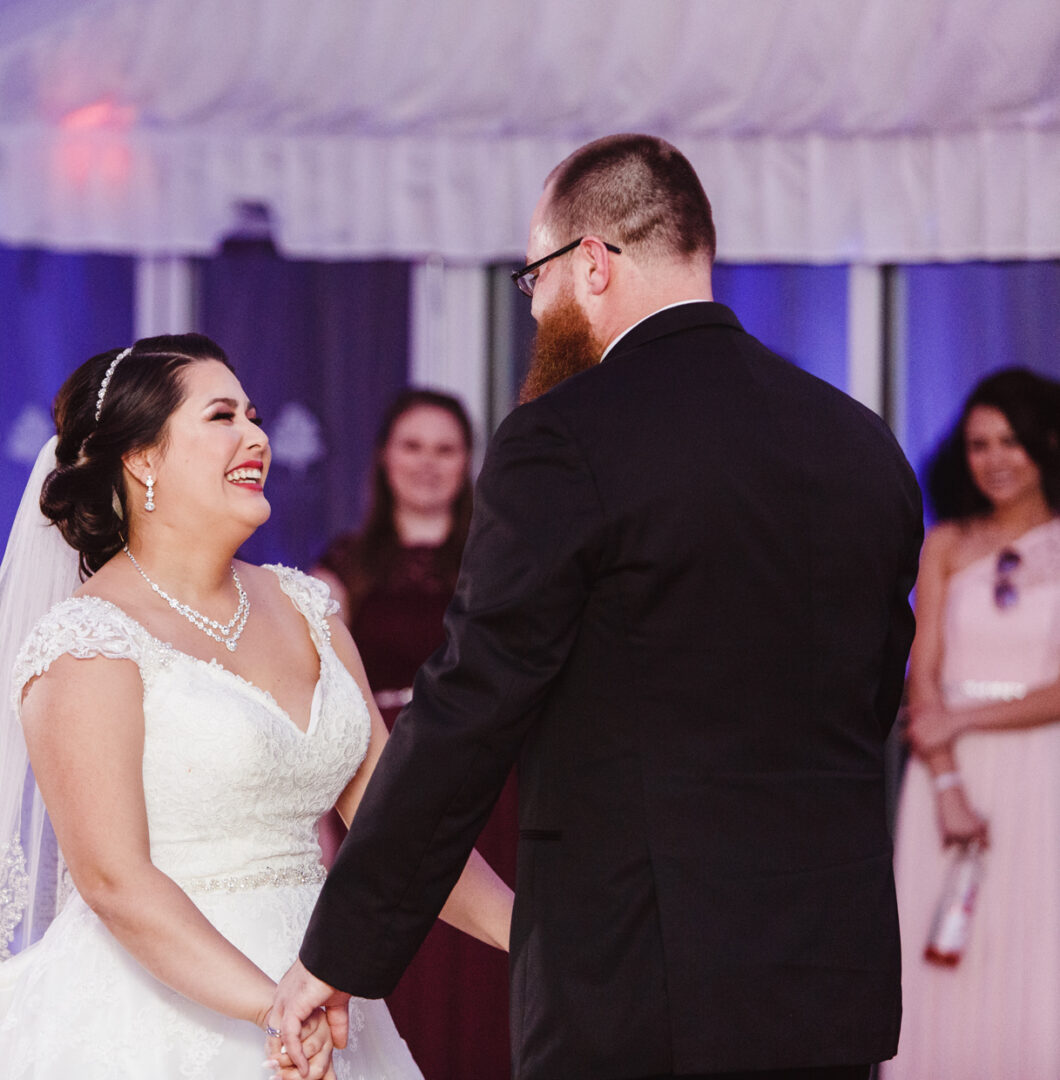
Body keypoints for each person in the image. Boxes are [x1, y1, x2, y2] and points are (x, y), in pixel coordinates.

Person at [270, 133, 923, 1080]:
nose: (535, 307)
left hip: (639, 978)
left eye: (534, 278)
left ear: (591, 262)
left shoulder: (561, 439)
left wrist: (339, 954)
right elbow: (870, 701)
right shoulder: (862, 445)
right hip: (828, 974)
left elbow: (467, 714)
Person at [0, 333, 514, 1080]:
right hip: (157, 1020)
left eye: (252, 415)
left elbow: (403, 827)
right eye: (222, 417)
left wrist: (535, 933)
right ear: (143, 460)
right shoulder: (88, 640)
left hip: (317, 995)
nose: (256, 437)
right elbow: (115, 879)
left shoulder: (307, 607)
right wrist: (273, 1007)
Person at [313, 388, 517, 1080]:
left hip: (496, 787)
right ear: (384, 459)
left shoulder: (501, 560)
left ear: (468, 464)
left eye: (445, 448)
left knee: (494, 957)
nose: (428, 464)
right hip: (387, 785)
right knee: (406, 956)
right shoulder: (344, 568)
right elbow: (316, 695)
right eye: (413, 446)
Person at [887, 368, 1060, 1078]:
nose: (994, 459)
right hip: (943, 784)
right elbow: (921, 672)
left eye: (1011, 442)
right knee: (940, 965)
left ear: (1048, 444)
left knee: (1034, 956)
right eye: (978, 444)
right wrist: (949, 784)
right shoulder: (945, 544)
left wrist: (959, 719)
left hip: (1042, 777)